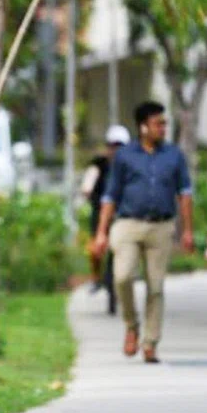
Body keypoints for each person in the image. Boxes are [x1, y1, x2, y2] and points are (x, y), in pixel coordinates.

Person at [92, 101, 195, 364]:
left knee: (156, 286)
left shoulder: (174, 156)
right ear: (143, 127)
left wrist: (188, 231)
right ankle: (131, 325)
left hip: (161, 226)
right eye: (158, 123)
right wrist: (101, 233)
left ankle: (150, 342)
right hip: (127, 223)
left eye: (164, 123)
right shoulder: (125, 156)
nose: (163, 128)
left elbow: (184, 193)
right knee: (122, 276)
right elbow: (110, 195)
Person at [81, 125, 131, 312]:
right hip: (101, 214)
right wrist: (87, 189)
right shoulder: (99, 164)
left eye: (119, 146)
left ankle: (121, 283)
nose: (115, 150)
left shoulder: (131, 166)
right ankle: (96, 277)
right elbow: (88, 182)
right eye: (113, 145)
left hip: (123, 215)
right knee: (95, 249)